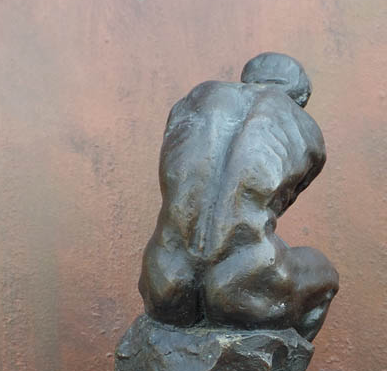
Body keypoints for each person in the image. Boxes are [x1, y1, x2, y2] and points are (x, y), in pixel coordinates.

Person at [139, 52, 338, 341]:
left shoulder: (194, 100)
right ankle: (276, 355)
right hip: (246, 284)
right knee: (325, 276)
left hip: (163, 278)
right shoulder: (304, 127)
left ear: (246, 81)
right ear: (302, 97)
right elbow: (276, 204)